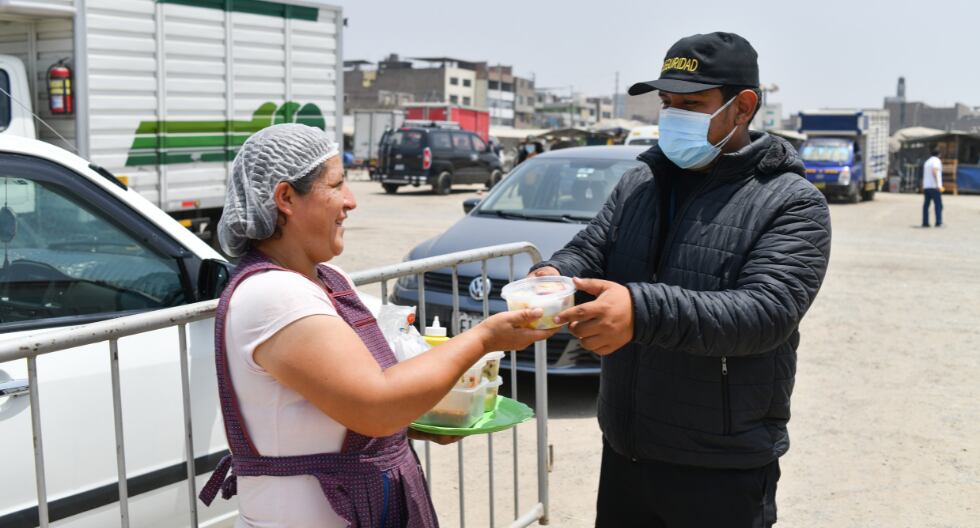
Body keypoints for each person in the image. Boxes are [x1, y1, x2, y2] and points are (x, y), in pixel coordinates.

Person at [528, 32, 832, 527]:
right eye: (667, 103)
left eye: (691, 104)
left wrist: (639, 311)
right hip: (627, 449)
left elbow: (766, 313)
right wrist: (552, 274)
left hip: (720, 464)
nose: (672, 116)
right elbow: (591, 248)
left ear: (742, 107)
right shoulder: (641, 182)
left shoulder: (791, 202)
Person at [198, 123, 557, 527]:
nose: (351, 201)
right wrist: (485, 338)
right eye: (337, 184)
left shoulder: (327, 279)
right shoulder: (274, 295)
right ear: (286, 198)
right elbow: (376, 406)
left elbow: (347, 400)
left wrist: (416, 422)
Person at [922, 148, 944, 227]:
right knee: (938, 205)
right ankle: (938, 222)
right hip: (934, 187)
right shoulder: (936, 161)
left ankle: (925, 222)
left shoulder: (927, 162)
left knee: (926, 205)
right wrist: (938, 184)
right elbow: (934, 171)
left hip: (927, 186)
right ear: (939, 154)